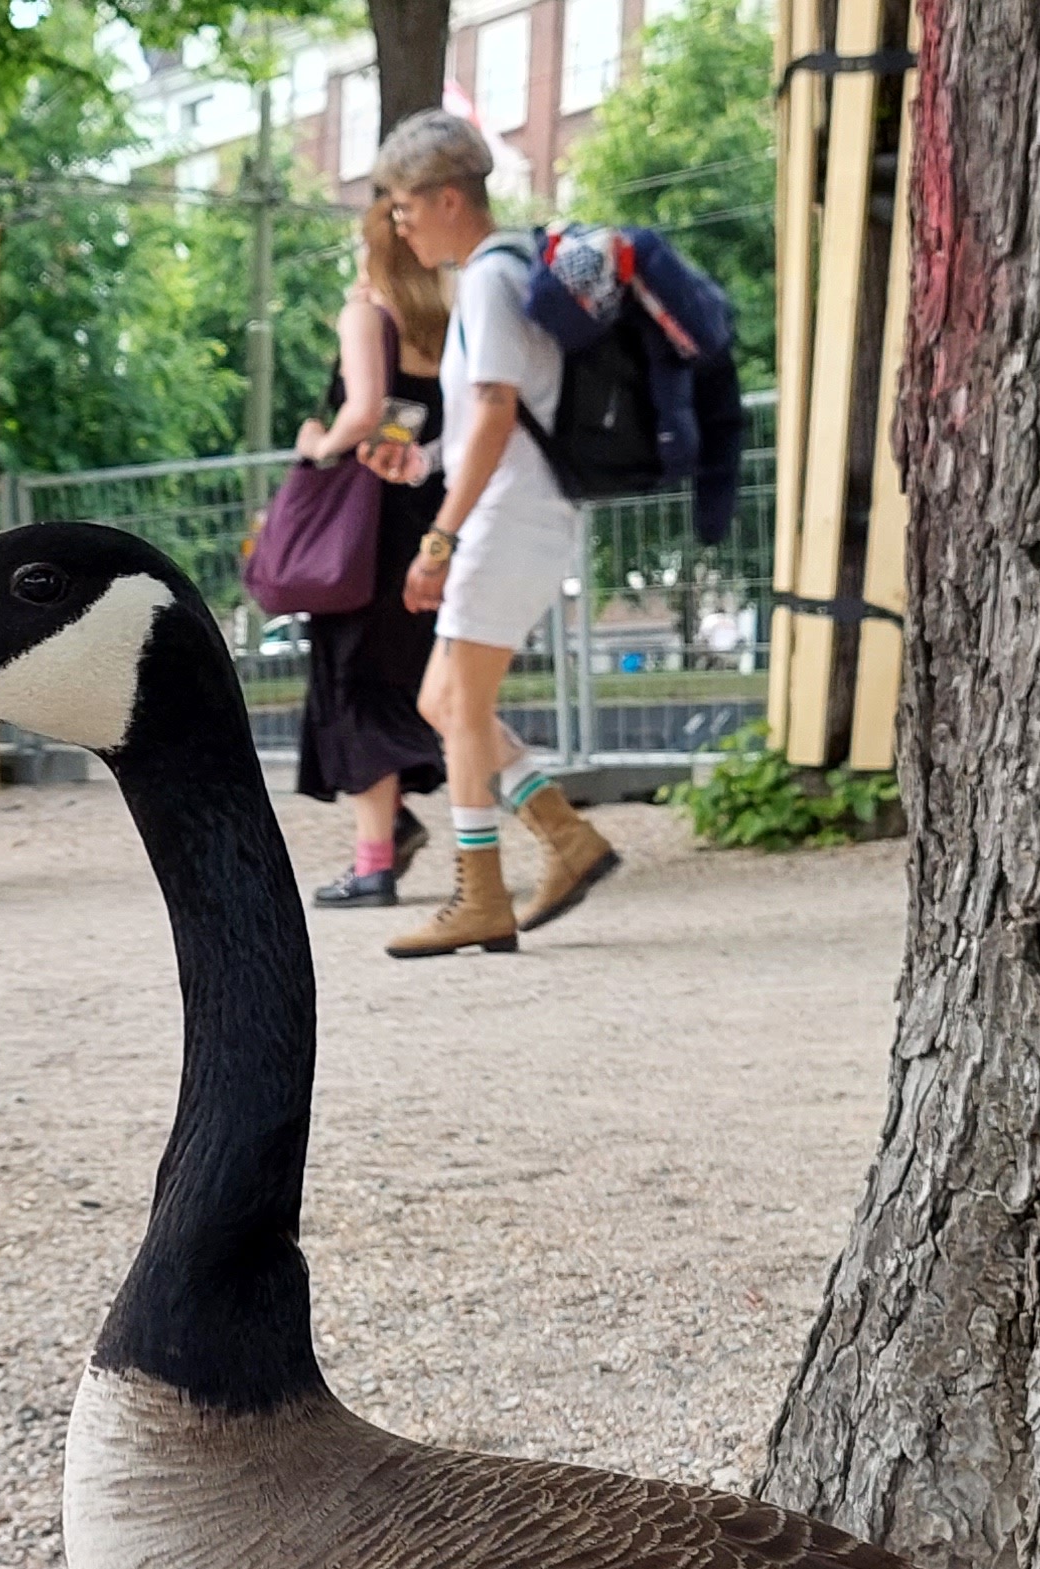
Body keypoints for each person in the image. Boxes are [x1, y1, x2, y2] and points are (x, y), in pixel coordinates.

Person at [373, 111, 623, 960]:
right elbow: (501, 416)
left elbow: (496, 408)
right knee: (441, 702)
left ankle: (480, 895)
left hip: (508, 518)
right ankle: (567, 840)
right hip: (518, 508)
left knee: (462, 706)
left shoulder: (486, 279)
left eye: (404, 204)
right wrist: (427, 461)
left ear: (449, 198)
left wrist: (438, 536)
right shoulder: (499, 274)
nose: (398, 223)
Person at [290, 202, 454, 908]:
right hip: (422, 521)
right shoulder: (443, 323)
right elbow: (411, 421)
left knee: (351, 686)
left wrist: (314, 450)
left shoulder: (367, 316)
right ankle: (391, 836)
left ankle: (373, 865)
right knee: (393, 685)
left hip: (361, 535)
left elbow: (362, 416)